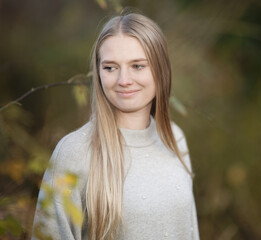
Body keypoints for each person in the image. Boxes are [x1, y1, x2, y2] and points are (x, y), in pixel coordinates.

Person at [31, 11, 200, 240]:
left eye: (138, 66)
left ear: (161, 70)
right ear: (99, 72)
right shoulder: (74, 152)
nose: (124, 80)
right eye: (110, 67)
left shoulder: (175, 139)